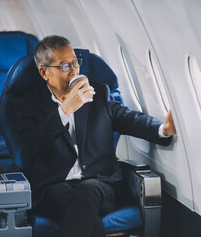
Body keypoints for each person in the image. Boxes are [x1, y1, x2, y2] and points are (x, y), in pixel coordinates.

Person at [15, 35, 176, 237]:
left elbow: (127, 119)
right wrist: (64, 110)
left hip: (102, 182)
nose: (74, 70)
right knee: (83, 213)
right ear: (44, 72)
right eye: (65, 66)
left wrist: (163, 129)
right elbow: (31, 146)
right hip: (54, 186)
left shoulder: (98, 94)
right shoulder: (28, 104)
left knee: (88, 190)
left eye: (75, 62)